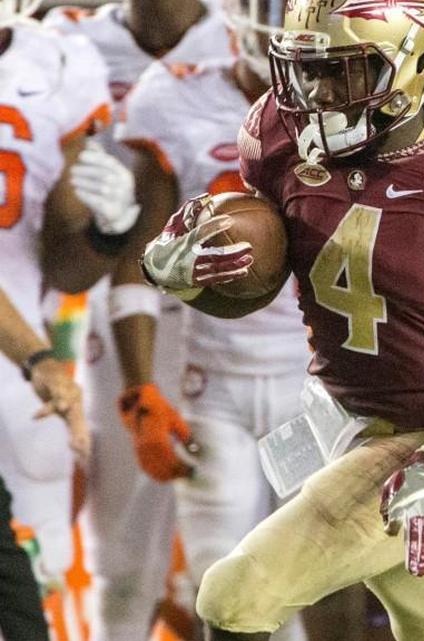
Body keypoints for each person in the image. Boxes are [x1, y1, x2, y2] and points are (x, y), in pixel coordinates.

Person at [139, 1, 424, 639]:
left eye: (343, 71)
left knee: (235, 595)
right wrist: (183, 277)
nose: (317, 93)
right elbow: (257, 286)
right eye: (305, 70)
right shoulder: (280, 137)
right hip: (343, 421)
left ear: (411, 64)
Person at [113, 0, 312, 638]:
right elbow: (139, 260)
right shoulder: (172, 99)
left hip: (317, 380)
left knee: (329, 576)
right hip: (214, 383)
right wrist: (142, 389)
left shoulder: (347, 109)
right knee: (221, 583)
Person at [42, 3, 230, 639]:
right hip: (122, 305)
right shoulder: (68, 41)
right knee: (121, 560)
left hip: (245, 325)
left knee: (241, 559)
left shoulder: (246, 42)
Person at [0, 0, 138, 636]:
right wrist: (40, 361)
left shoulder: (55, 60)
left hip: (23, 368)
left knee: (36, 580)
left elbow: (64, 267)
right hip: (30, 361)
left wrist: (110, 233)